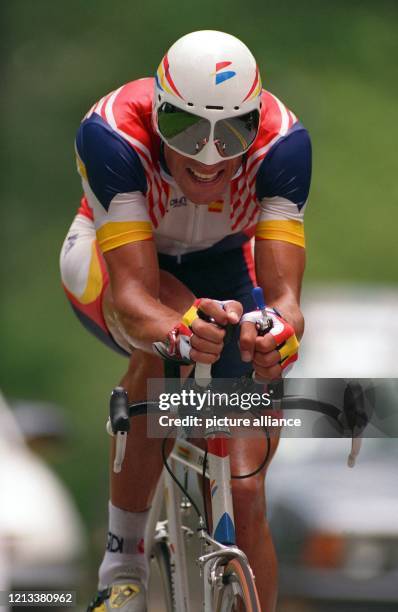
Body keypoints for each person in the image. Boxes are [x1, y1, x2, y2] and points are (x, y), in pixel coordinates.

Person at [60, 30, 311, 612]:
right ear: (158, 112)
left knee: (246, 496)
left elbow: (286, 300)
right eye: (187, 130)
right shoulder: (113, 133)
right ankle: (121, 565)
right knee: (167, 337)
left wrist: (278, 334)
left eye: (232, 134)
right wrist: (178, 331)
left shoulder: (284, 144)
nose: (208, 156)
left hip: (222, 264)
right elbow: (132, 296)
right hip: (114, 260)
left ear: (256, 123)